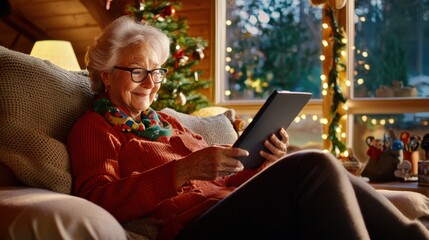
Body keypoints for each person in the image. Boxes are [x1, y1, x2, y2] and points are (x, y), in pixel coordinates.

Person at [67, 16, 429, 240]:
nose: (150, 82)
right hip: (195, 229)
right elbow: (98, 200)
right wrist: (180, 171)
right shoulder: (95, 128)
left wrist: (264, 164)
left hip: (229, 208)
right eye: (136, 71)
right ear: (105, 74)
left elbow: (225, 183)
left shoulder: (168, 122)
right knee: (313, 164)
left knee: (315, 162)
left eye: (157, 70)